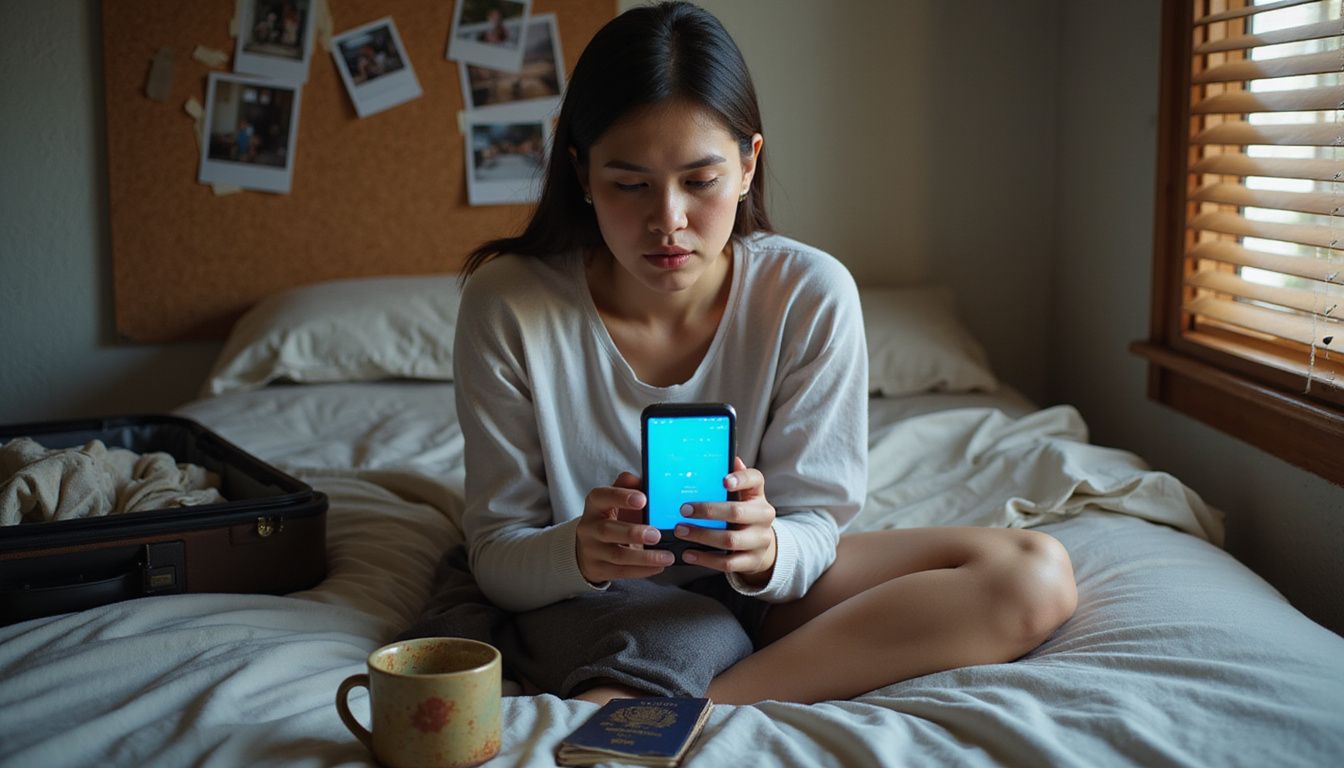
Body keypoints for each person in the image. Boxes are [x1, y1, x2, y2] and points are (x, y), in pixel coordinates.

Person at [407, 1, 1077, 707]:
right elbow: (498, 557)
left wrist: (768, 549)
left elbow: (818, 523)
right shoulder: (509, 302)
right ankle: (677, 680)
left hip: (761, 590)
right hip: (590, 596)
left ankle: (691, 706)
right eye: (629, 184)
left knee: (1034, 573)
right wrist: (579, 548)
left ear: (749, 165)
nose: (669, 220)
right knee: (676, 628)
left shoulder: (808, 293)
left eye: (701, 181)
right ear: (580, 170)